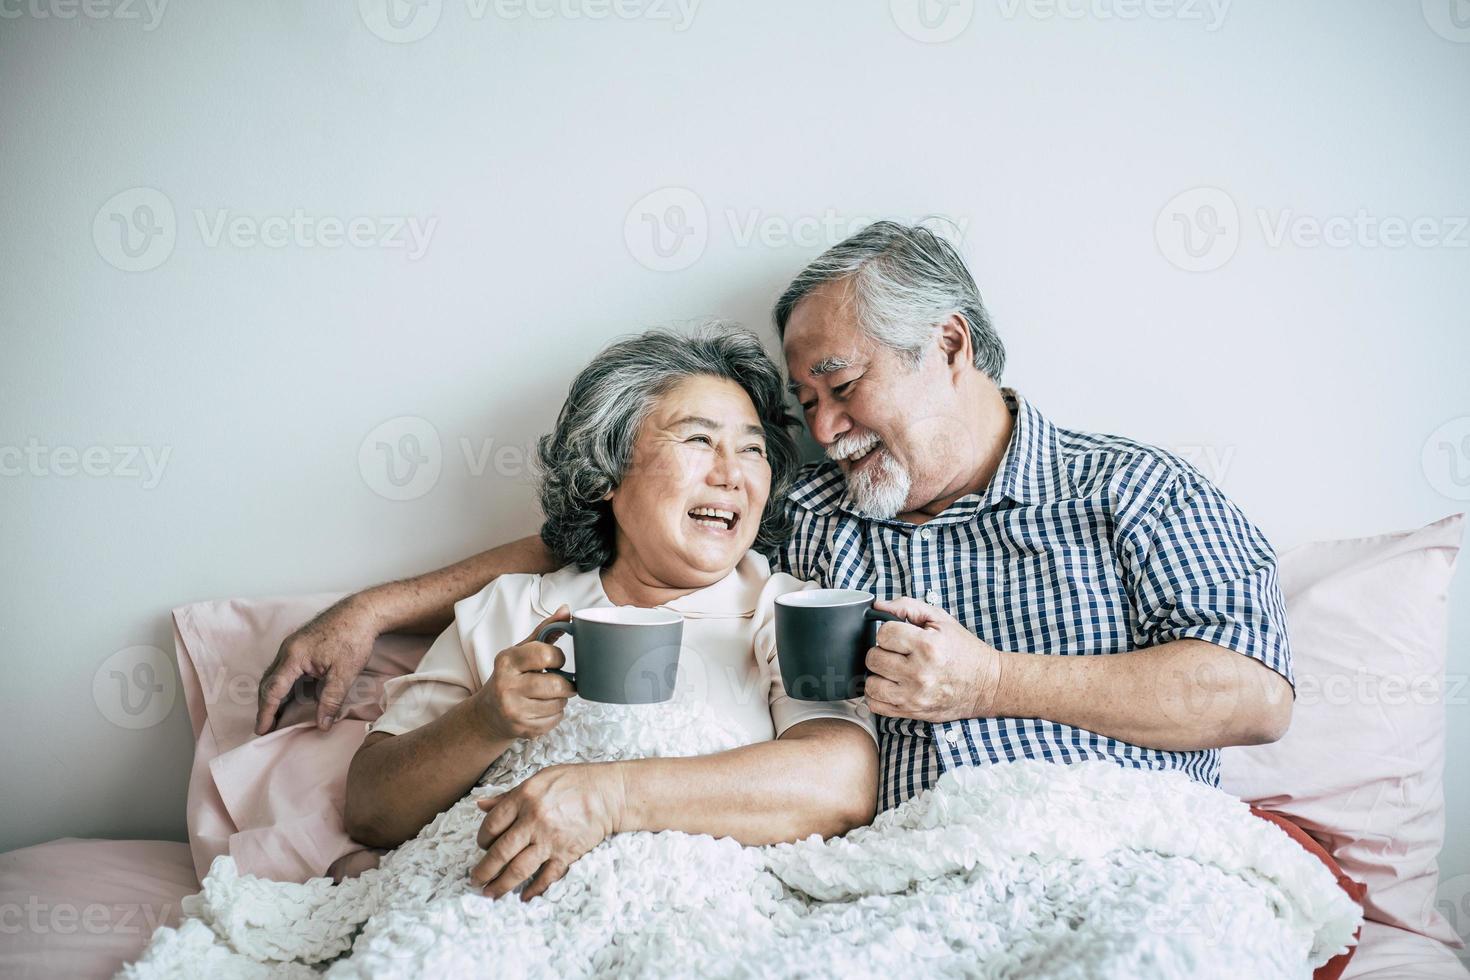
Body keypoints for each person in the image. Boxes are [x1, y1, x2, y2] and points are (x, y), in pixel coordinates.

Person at [261, 220, 1294, 821]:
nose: (825, 431)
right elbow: (619, 538)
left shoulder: (1135, 491)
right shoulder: (814, 511)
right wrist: (373, 607)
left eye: (840, 385)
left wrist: (994, 681)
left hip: (1123, 839)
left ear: (949, 344)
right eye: (805, 408)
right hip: (904, 879)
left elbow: (1252, 697)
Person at [341, 328, 877, 900]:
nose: (732, 474)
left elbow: (840, 785)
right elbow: (371, 810)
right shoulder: (510, 608)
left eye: (752, 449)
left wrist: (609, 799)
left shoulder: (785, 612)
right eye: (699, 439)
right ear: (605, 473)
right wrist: (484, 721)